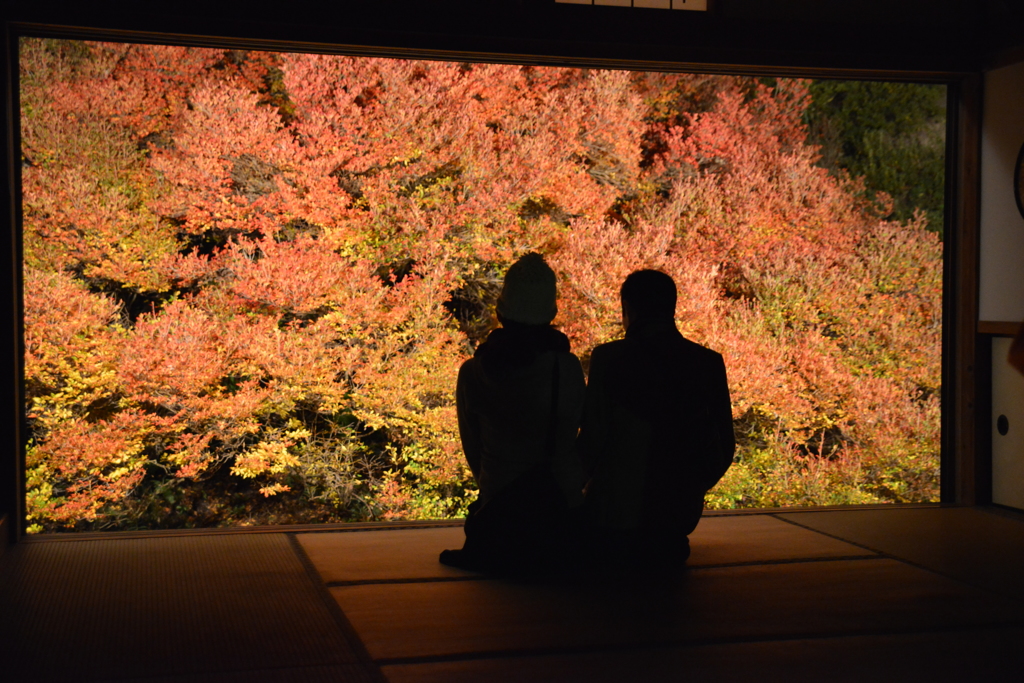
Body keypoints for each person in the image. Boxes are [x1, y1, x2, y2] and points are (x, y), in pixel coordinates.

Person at [440, 253, 586, 573]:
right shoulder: (567, 368)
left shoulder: (474, 372)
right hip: (559, 518)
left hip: (498, 521)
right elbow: (581, 436)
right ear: (550, 312)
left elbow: (474, 452)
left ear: (502, 310)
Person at [578, 269, 735, 567]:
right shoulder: (707, 363)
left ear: (628, 309)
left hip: (614, 521)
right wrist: (691, 487)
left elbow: (591, 442)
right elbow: (725, 446)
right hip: (675, 521)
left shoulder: (609, 359)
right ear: (671, 307)